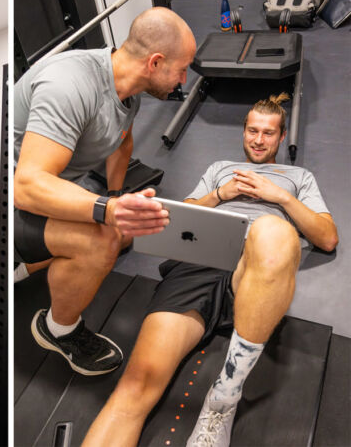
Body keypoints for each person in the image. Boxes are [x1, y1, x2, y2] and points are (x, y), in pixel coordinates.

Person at [83, 94, 338, 447]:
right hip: (199, 262)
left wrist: (279, 197)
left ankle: (224, 398)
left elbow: (326, 237)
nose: (258, 139)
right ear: (244, 132)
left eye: (268, 133)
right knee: (135, 385)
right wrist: (221, 193)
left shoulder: (298, 177)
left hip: (256, 269)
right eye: (252, 130)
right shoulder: (220, 168)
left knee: (273, 230)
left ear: (281, 138)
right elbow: (180, 217)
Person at [14, 7, 197, 375]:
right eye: (182, 69)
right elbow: (27, 186)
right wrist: (107, 211)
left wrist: (115, 198)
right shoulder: (70, 85)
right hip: (13, 201)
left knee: (125, 233)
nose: (184, 79)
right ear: (156, 62)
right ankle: (58, 331)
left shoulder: (128, 90)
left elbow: (121, 144)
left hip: (58, 188)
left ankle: (27, 266)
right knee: (103, 241)